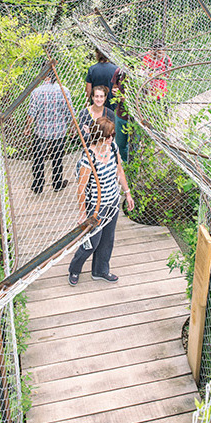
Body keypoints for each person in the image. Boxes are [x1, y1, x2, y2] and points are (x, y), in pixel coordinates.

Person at [68, 117, 134, 286]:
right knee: (92, 241)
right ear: (99, 136)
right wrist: (83, 213)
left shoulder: (112, 148)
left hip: (112, 201)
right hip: (96, 207)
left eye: (113, 134)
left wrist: (127, 193)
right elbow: (81, 189)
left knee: (107, 239)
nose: (111, 138)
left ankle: (100, 270)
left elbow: (119, 170)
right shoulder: (88, 157)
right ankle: (75, 268)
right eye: (108, 135)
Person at [25, 69, 73, 194]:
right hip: (60, 131)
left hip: (42, 131)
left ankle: (38, 185)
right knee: (57, 158)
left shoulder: (36, 92)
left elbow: (32, 112)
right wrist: (72, 127)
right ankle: (57, 183)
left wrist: (27, 127)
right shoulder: (64, 91)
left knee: (38, 158)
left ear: (43, 75)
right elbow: (70, 112)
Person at [111, 67, 130, 162]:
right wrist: (115, 91)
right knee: (120, 143)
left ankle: (133, 168)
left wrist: (127, 99)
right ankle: (126, 163)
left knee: (133, 147)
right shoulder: (119, 72)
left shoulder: (141, 75)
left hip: (134, 119)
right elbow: (114, 87)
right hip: (120, 114)